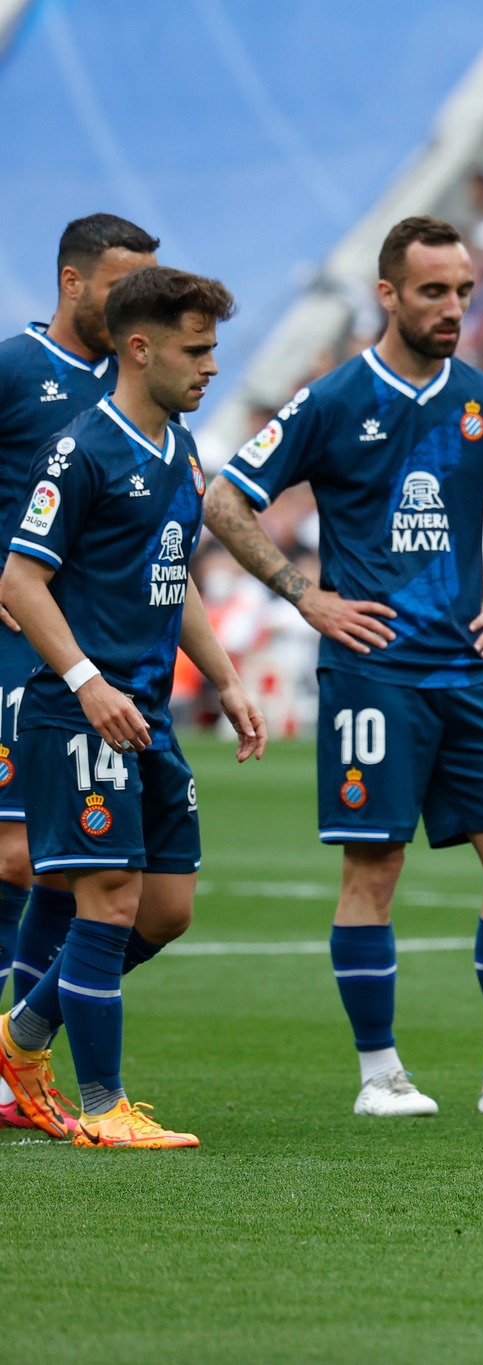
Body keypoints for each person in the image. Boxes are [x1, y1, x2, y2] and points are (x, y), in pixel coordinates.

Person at [203, 217, 483, 1118]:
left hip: (466, 668)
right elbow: (226, 498)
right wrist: (307, 594)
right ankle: (380, 1074)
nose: (453, 308)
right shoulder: (333, 399)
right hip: (372, 671)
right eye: (432, 292)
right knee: (374, 870)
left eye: (463, 290)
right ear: (388, 294)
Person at [0, 266, 265, 1148]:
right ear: (140, 347)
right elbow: (21, 579)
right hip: (80, 713)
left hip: (145, 713)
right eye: (197, 349)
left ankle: (20, 1035)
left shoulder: (178, 450)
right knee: (107, 901)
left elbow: (171, 573)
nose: (211, 367)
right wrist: (86, 681)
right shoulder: (83, 449)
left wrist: (224, 678)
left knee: (165, 911)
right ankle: (106, 1105)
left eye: (215, 349)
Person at [0, 215, 157, 1132]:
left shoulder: (132, 390)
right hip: (17, 640)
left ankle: (21, 1060)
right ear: (71, 281)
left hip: (87, 651)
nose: (136, 304)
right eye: (121, 286)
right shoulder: (18, 370)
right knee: (20, 856)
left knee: (67, 872)